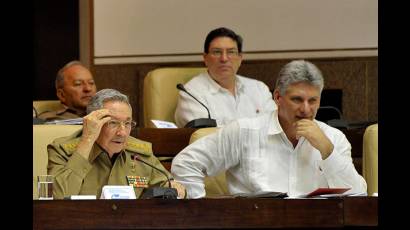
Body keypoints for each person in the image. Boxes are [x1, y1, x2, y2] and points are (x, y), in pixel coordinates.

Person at [171, 60, 367, 198]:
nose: (306, 109)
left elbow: (358, 194)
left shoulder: (334, 138)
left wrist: (327, 150)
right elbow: (186, 163)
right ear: (278, 98)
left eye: (312, 101)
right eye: (297, 99)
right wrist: (201, 216)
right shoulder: (244, 132)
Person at [48, 89, 186, 199]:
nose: (122, 133)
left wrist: (175, 188)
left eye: (127, 123)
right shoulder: (62, 151)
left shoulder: (140, 153)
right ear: (93, 123)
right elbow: (57, 197)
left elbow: (168, 185)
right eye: (113, 123)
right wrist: (87, 140)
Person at [174, 27, 276, 127]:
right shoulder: (192, 93)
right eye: (217, 52)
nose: (224, 58)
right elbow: (205, 138)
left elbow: (275, 127)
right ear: (205, 58)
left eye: (231, 52)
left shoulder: (259, 89)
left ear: (240, 58)